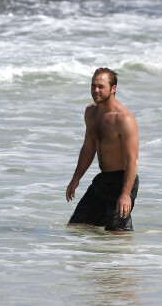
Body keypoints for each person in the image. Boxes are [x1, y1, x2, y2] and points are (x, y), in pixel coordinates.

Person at [66, 68, 139, 231]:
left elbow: (132, 160)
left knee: (117, 234)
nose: (95, 90)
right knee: (77, 227)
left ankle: (127, 256)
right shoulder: (91, 112)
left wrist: (126, 194)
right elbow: (88, 148)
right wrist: (76, 178)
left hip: (122, 181)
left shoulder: (124, 119)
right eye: (93, 86)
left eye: (101, 86)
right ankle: (97, 256)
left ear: (113, 89)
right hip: (103, 180)